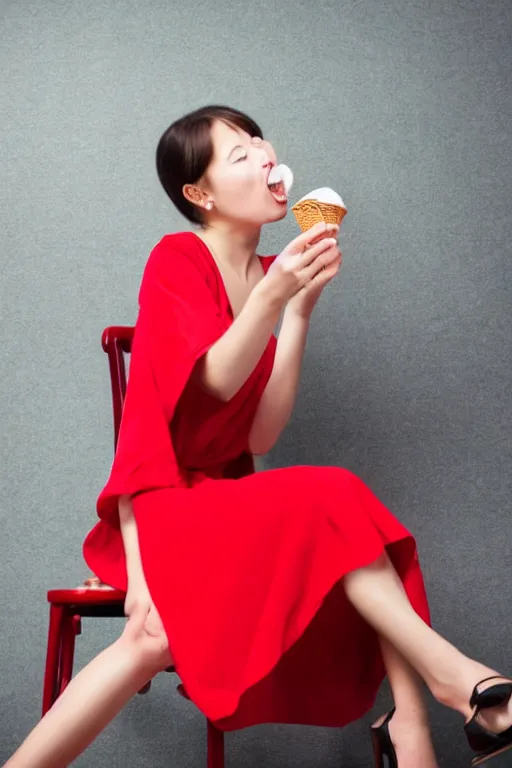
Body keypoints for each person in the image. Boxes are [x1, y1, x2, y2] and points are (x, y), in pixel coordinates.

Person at [5, 105, 511, 768]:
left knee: (346, 516)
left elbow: (264, 427)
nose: (263, 155)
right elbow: (210, 384)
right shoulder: (177, 258)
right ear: (201, 194)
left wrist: (296, 311)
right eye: (238, 154)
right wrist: (273, 298)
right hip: (163, 504)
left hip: (221, 502)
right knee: (327, 502)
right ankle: (435, 697)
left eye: (258, 141)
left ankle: (418, 716)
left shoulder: (269, 273)